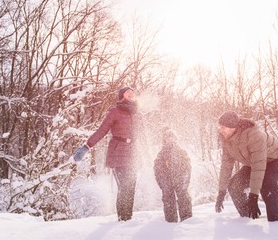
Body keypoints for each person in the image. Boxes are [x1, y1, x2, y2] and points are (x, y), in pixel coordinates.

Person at [73, 86, 146, 221]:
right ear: (121, 96)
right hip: (118, 153)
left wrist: (149, 155)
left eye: (132, 92)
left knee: (131, 188)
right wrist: (87, 146)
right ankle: (122, 219)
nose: (131, 93)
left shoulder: (138, 114)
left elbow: (144, 136)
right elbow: (102, 130)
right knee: (124, 187)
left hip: (133, 154)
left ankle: (128, 218)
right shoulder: (115, 112)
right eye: (127, 91)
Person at [215, 111, 278, 222]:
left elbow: (258, 166)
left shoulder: (254, 135)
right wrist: (221, 192)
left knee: (267, 184)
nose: (220, 130)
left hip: (276, 159)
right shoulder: (227, 140)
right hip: (254, 162)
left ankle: (276, 222)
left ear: (232, 127)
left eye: (223, 127)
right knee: (234, 185)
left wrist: (253, 196)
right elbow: (226, 166)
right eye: (220, 127)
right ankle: (247, 217)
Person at [154, 128, 193, 222]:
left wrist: (185, 180)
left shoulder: (182, 152)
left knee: (184, 197)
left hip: (180, 180)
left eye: (173, 138)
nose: (171, 140)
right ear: (165, 140)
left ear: (176, 139)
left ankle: (187, 219)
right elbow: (157, 170)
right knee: (168, 198)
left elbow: (188, 167)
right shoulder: (161, 154)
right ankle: (171, 221)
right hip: (167, 182)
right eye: (168, 138)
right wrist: (163, 184)